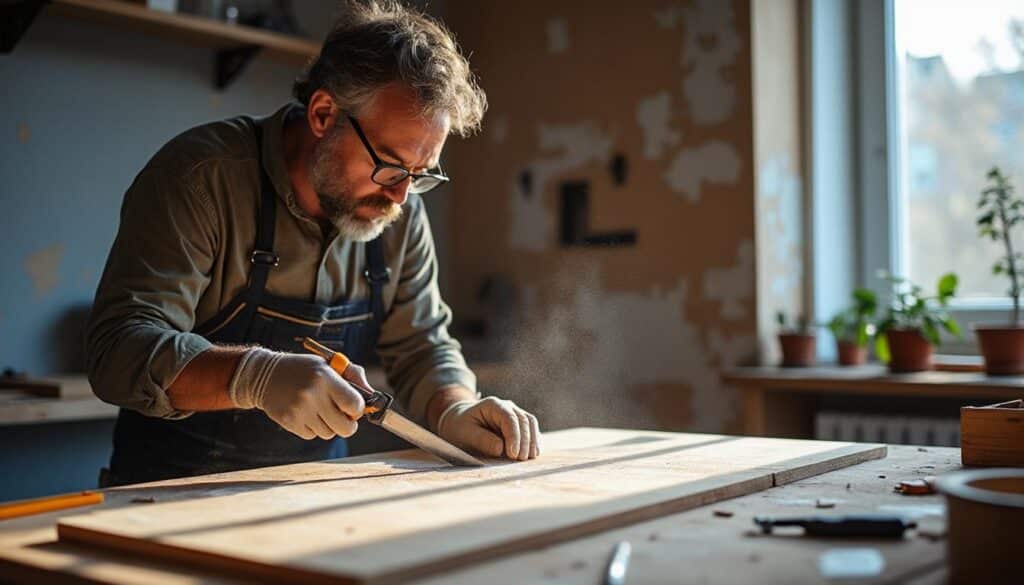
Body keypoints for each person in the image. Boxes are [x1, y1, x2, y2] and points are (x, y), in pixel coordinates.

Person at [86, 0, 540, 487]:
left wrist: (455, 409)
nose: (402, 194)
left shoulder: (397, 207)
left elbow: (422, 345)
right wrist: (253, 376)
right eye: (389, 165)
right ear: (324, 113)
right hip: (168, 497)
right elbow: (118, 350)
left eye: (420, 174)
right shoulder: (202, 180)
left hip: (313, 496)